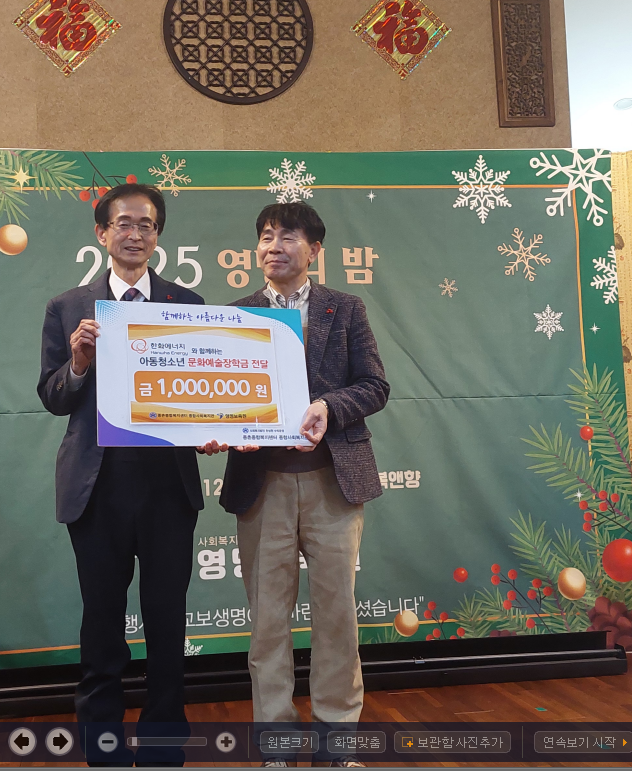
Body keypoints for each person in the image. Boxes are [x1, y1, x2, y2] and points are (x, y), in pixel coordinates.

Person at [38, 184, 206, 767]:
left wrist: (212, 428)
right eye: (125, 224)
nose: (136, 234)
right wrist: (78, 362)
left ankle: (163, 744)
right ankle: (103, 745)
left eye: (147, 225)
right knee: (102, 626)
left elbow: (201, 393)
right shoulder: (67, 307)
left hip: (168, 486)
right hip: (97, 488)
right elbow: (53, 397)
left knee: (168, 623)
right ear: (102, 233)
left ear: (158, 236)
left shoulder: (186, 303)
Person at [220, 203, 389, 768]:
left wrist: (327, 406)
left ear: (314, 249)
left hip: (332, 484)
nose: (274, 246)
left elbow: (375, 386)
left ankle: (337, 744)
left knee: (337, 618)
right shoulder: (236, 315)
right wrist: (232, 429)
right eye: (266, 237)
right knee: (268, 623)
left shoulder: (346, 309)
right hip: (261, 485)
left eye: (288, 237)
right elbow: (224, 398)